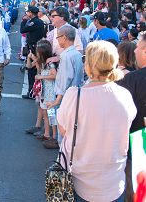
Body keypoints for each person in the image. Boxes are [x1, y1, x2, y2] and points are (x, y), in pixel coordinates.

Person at [57, 41, 136, 202]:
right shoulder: (125, 95)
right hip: (113, 182)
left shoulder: (74, 95)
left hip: (78, 179)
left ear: (89, 65)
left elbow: (63, 130)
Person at [118, 31, 146, 201]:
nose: (134, 51)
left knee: (138, 194)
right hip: (138, 140)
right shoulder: (132, 78)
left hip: (139, 141)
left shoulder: (133, 79)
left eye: (138, 47)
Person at [45, 25, 84, 149]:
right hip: (75, 94)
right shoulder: (76, 54)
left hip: (65, 97)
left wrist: (57, 100)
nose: (57, 40)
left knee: (63, 131)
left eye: (58, 37)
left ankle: (63, 161)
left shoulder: (66, 56)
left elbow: (64, 79)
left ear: (65, 37)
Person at [20, 5, 46, 99]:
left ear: (31, 13)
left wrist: (23, 20)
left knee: (32, 71)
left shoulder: (34, 22)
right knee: (33, 70)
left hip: (34, 48)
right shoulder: (38, 21)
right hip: (35, 47)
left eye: (28, 12)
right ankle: (34, 91)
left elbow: (22, 30)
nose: (27, 14)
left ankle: (32, 92)